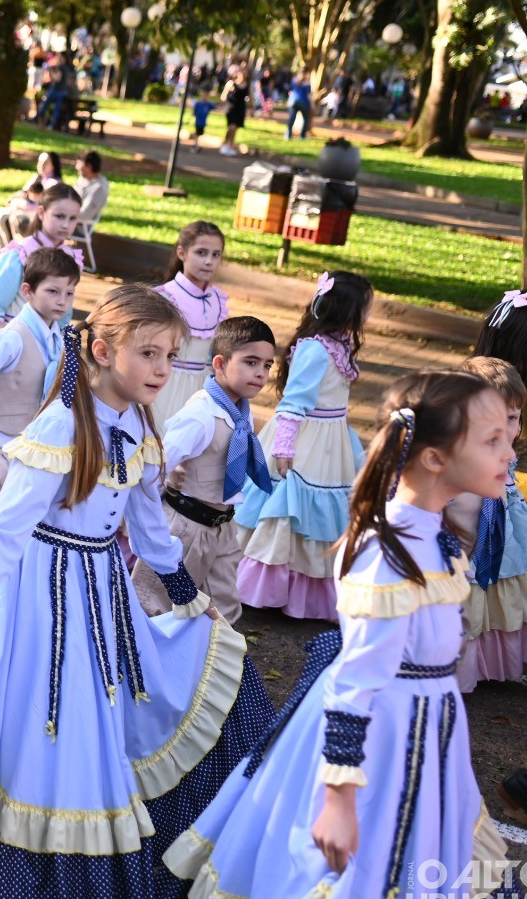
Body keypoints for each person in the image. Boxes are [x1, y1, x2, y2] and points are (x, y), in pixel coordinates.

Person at [0, 283, 274, 899]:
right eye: (150, 354)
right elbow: (4, 527)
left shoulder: (138, 424)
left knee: (109, 711)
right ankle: (32, 872)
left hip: (103, 589)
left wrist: (191, 603)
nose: (163, 369)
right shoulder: (61, 426)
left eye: (170, 355)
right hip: (43, 594)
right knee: (55, 723)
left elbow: (151, 530)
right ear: (102, 351)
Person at [166, 371, 515, 899]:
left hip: (423, 732)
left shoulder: (431, 537)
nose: (510, 452)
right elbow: (355, 685)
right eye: (492, 440)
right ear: (433, 458)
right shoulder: (391, 553)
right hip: (378, 743)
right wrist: (338, 800)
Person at [235, 270, 374, 619]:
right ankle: (261, 587)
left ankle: (303, 594)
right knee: (287, 508)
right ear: (347, 310)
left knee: (321, 517)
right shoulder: (315, 350)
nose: (368, 313)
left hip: (332, 441)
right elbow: (294, 402)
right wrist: (284, 447)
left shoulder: (339, 345)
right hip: (304, 441)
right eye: (365, 307)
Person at [133, 316, 276, 625]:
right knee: (157, 608)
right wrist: (153, 511)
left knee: (223, 611)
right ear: (220, 363)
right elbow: (154, 467)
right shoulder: (200, 414)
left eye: (267, 365)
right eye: (251, 362)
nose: (261, 373)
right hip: (185, 528)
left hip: (222, 528)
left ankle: (207, 669)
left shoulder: (240, 414)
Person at [0, 246, 79, 539]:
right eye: (53, 291)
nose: (62, 301)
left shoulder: (57, 337)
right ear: (28, 291)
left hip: (25, 448)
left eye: (69, 293)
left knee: (13, 526)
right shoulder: (13, 337)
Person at [448, 356, 527, 689]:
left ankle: (486, 664)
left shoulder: (505, 451)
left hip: (500, 535)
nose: (507, 430)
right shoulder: (456, 455)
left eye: (513, 418)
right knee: (468, 601)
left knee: (495, 594)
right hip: (463, 548)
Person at [152, 221, 230, 425]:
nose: (209, 261)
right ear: (182, 253)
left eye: (216, 254)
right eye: (201, 253)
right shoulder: (167, 296)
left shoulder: (218, 301)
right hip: (165, 384)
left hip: (202, 391)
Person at [0, 184, 83, 338]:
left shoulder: (72, 257)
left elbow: (65, 313)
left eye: (72, 218)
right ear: (41, 212)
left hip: (50, 343)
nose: (65, 224)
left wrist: (62, 347)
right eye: (59, 216)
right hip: (14, 340)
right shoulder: (19, 254)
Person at [74, 150, 109, 227]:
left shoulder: (98, 189)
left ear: (89, 166)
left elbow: (84, 215)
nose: (76, 167)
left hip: (78, 226)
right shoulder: (84, 179)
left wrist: (62, 213)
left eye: (79, 164)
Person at [219, 70, 248, 156]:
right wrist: (226, 101)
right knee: (231, 127)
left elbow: (251, 97)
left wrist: (252, 108)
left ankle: (230, 146)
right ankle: (225, 143)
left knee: (235, 128)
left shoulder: (247, 85)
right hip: (231, 108)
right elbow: (223, 96)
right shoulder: (231, 83)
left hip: (240, 109)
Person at [285, 72, 313, 140]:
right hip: (304, 102)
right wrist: (312, 104)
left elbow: (290, 92)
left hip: (293, 101)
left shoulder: (294, 81)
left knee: (292, 118)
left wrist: (289, 100)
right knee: (305, 119)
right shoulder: (307, 83)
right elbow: (309, 95)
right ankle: (302, 135)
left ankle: (288, 134)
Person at [190, 87, 214, 152]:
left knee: (200, 133)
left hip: (203, 122)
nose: (204, 97)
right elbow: (194, 112)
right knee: (197, 133)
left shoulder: (208, 104)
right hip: (198, 121)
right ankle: (196, 144)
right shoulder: (198, 104)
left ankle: (197, 144)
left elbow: (214, 106)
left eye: (205, 96)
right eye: (203, 96)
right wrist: (193, 119)